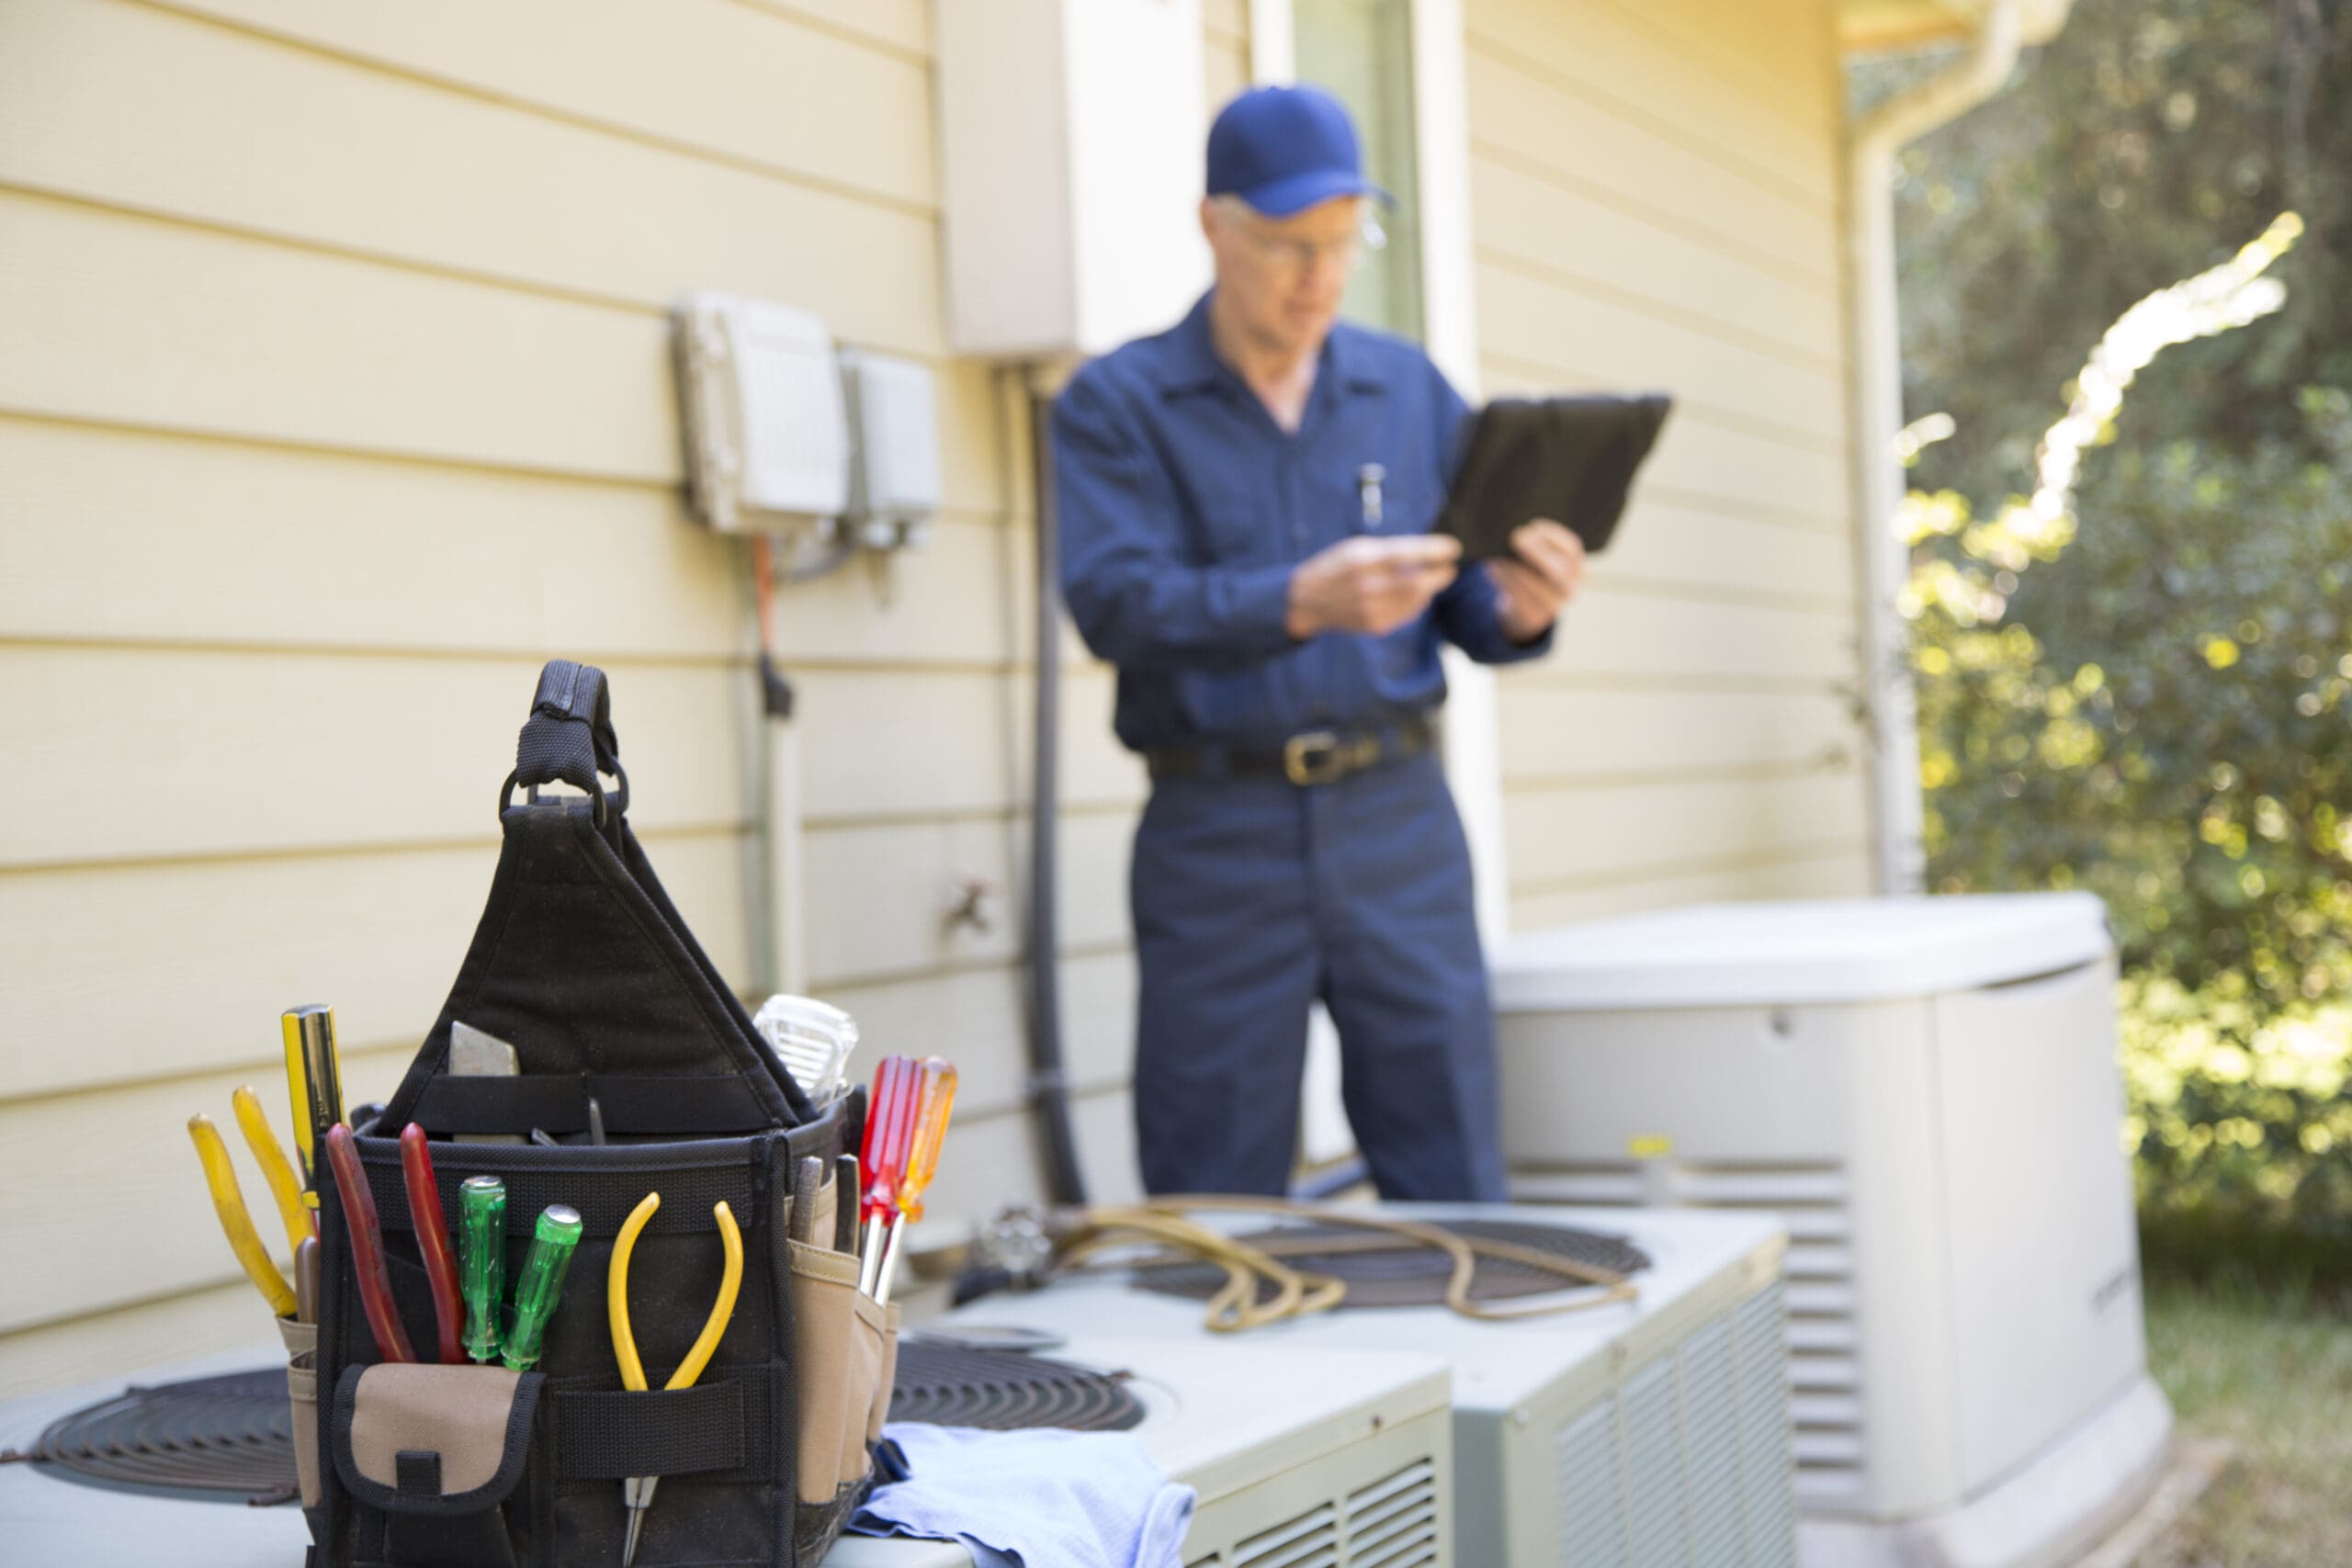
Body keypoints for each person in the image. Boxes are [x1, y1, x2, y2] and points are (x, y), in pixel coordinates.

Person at [1053, 84, 1587, 1201]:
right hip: (1217, 833)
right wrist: (1297, 601)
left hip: (1398, 821)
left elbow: (1469, 610)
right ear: (1215, 226)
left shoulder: (1407, 389)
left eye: (1342, 243)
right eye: (1290, 245)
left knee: (1451, 1158)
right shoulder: (1118, 405)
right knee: (1216, 1189)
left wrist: (1523, 609)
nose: (1319, 276)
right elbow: (1114, 602)